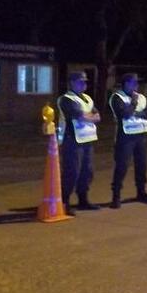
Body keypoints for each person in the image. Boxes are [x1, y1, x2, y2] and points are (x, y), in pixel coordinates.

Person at [108, 73, 147, 208]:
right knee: (122, 166)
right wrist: (134, 104)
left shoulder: (141, 97)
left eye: (137, 82)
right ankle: (116, 196)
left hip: (140, 135)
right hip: (125, 136)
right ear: (126, 83)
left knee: (142, 165)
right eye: (134, 82)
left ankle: (141, 192)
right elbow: (125, 114)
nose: (137, 85)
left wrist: (137, 112)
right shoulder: (117, 97)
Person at [57, 71, 101, 216]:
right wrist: (89, 116)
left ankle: (83, 200)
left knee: (87, 171)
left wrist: (88, 116)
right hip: (71, 140)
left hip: (87, 139)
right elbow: (81, 116)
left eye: (85, 81)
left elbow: (98, 116)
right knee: (72, 172)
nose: (84, 84)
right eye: (80, 81)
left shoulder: (87, 98)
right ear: (71, 83)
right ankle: (64, 202)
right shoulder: (66, 99)